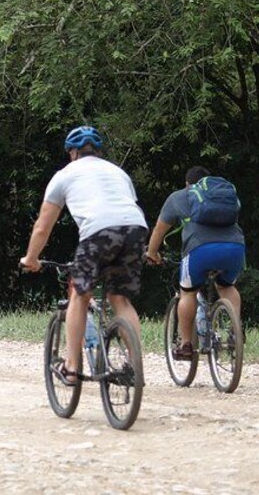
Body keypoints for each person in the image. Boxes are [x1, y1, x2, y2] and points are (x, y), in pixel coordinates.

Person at [20, 125, 148, 385]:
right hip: (136, 228)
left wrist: (31, 258)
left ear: (73, 153)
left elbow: (43, 226)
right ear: (97, 151)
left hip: (99, 231)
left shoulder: (64, 175)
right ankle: (135, 367)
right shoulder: (118, 172)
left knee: (80, 295)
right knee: (120, 299)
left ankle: (71, 367)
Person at [145, 166, 245, 360]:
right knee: (226, 287)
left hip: (200, 250)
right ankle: (235, 332)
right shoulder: (222, 197)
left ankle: (185, 345)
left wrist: (152, 253)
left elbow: (159, 230)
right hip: (235, 247)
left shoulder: (177, 197)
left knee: (188, 292)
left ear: (187, 183)